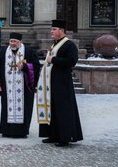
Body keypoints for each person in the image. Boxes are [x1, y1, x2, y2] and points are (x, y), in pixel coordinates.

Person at [37, 19, 83, 147]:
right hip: (51, 84)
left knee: (63, 110)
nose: (51, 32)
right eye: (51, 29)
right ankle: (53, 135)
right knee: (53, 109)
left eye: (54, 29)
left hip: (62, 83)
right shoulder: (54, 44)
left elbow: (72, 61)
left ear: (61, 31)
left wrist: (54, 59)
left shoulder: (69, 45)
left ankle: (64, 137)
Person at [0, 32, 40, 138]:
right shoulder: (3, 51)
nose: (12, 44)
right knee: (6, 107)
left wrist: (25, 67)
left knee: (24, 108)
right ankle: (6, 130)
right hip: (7, 87)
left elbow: (36, 66)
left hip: (24, 87)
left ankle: (22, 131)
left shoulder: (28, 51)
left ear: (20, 42)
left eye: (15, 41)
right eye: (11, 41)